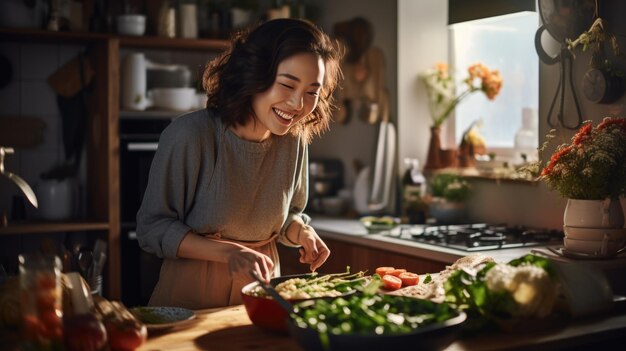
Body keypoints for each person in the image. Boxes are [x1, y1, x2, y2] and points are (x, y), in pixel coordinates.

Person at [136, 18, 343, 309]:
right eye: (287, 84)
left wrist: (302, 232)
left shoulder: (294, 139)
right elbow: (151, 228)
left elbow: (285, 216)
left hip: (262, 293)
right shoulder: (190, 135)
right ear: (254, 75)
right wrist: (227, 253)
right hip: (190, 299)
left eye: (312, 92)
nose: (298, 104)